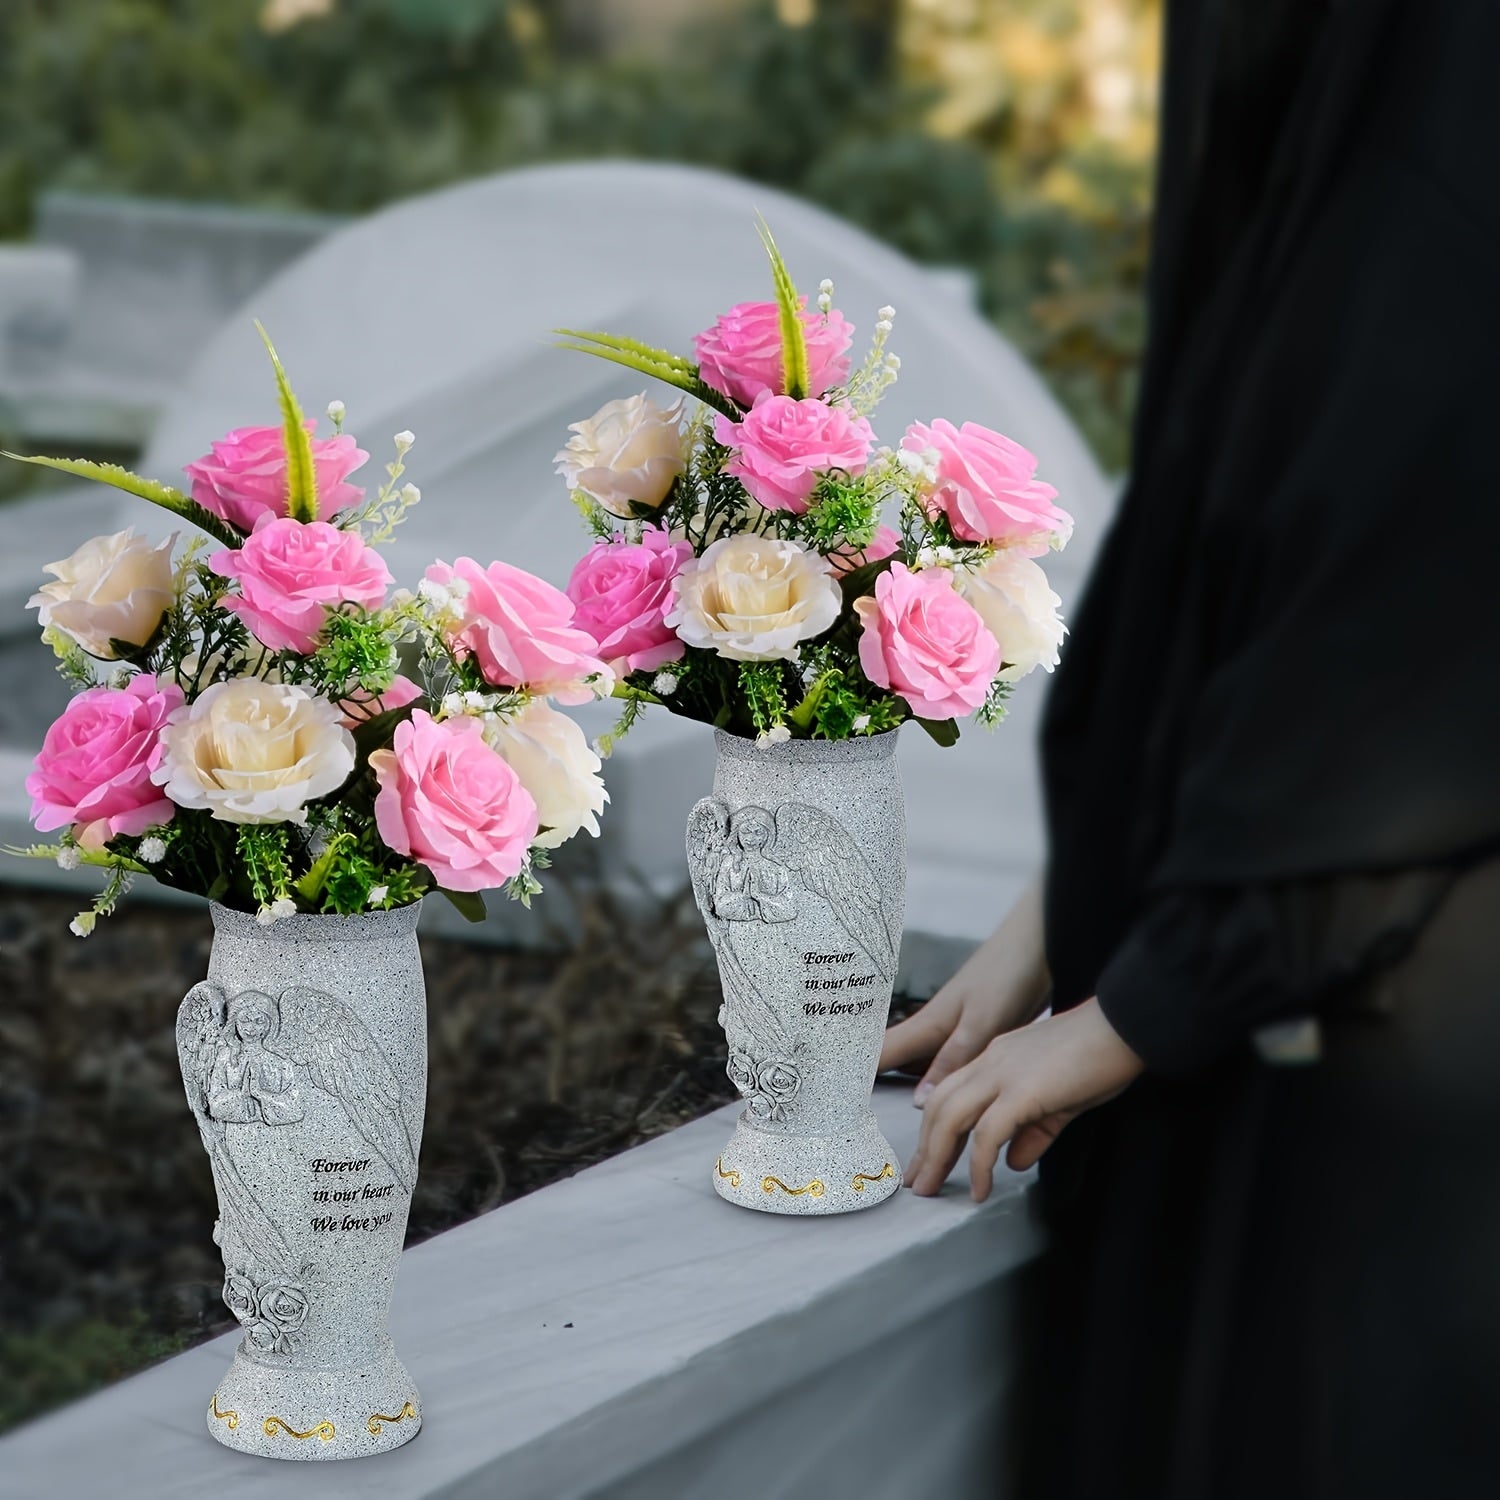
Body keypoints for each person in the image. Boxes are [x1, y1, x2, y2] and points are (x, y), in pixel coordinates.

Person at [882, 1, 1500, 1494]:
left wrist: (1145, 998)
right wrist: (1081, 898)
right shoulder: (1367, 115)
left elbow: (1415, 638)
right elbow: (1253, 521)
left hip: (1387, 1063)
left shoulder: (1445, 125)